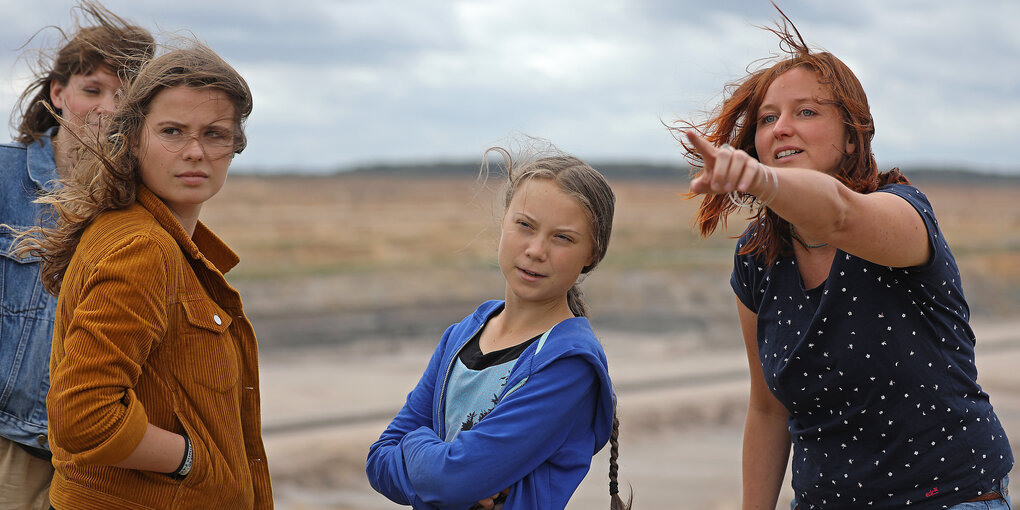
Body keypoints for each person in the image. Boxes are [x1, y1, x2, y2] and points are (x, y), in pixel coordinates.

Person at [674, 9, 1013, 510]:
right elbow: (768, 408)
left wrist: (761, 181)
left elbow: (839, 216)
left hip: (950, 496)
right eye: (768, 118)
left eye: (807, 112)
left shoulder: (902, 212)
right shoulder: (757, 258)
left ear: (852, 136)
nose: (782, 128)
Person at [12, 41, 272, 509]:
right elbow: (83, 414)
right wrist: (194, 461)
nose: (195, 151)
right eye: (173, 131)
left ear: (235, 145)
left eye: (215, 134)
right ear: (133, 138)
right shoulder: (143, 248)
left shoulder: (158, 238)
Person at [366, 148, 631, 510]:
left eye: (563, 238)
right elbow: (378, 459)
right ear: (503, 223)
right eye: (525, 225)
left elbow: (451, 479)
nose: (536, 250)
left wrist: (415, 446)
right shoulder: (461, 336)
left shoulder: (568, 364)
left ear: (592, 254)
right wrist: (442, 476)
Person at [0, 3, 153, 508]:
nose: (109, 108)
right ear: (58, 94)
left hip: (103, 462)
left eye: (126, 96)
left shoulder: (148, 203)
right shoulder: (4, 181)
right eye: (93, 90)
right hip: (10, 451)